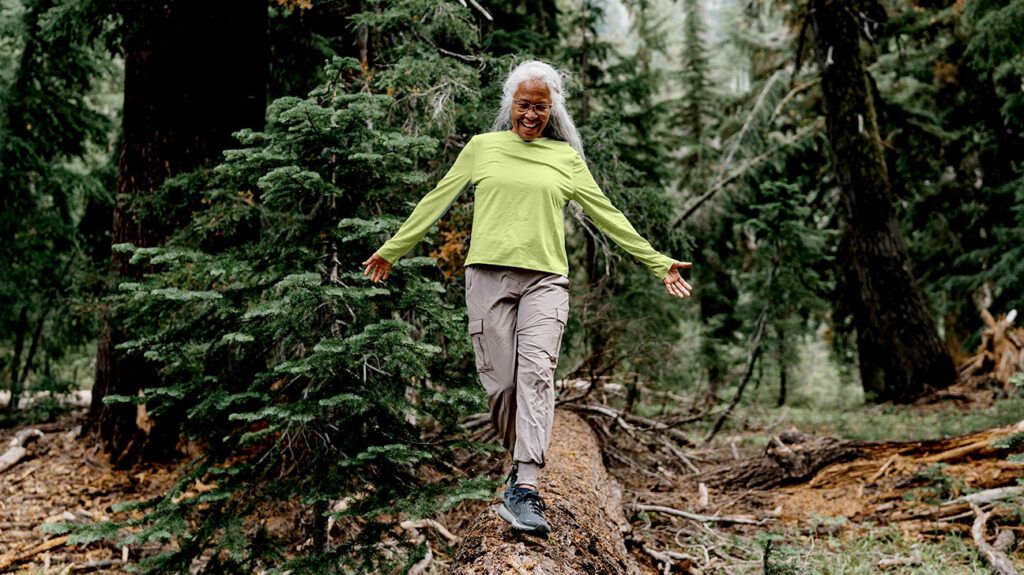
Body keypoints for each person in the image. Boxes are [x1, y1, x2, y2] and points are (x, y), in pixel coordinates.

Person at [362, 60, 692, 534]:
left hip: (545, 282)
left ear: (552, 109)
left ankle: (526, 488)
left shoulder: (565, 159)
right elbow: (437, 198)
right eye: (524, 105)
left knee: (537, 373)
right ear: (509, 105)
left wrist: (658, 262)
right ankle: (520, 465)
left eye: (540, 107)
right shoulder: (483, 149)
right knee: (501, 385)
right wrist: (394, 249)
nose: (531, 115)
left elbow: (608, 215)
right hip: (487, 278)